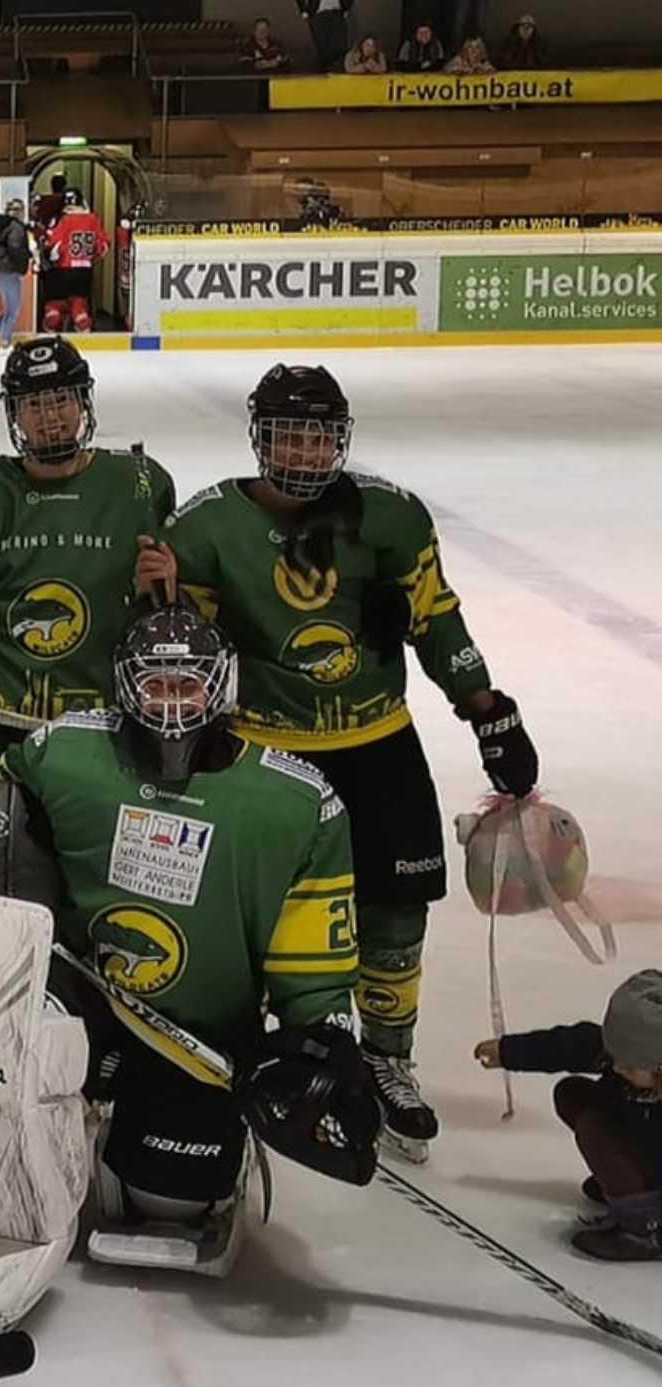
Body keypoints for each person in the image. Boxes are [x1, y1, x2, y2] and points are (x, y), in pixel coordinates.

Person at [140, 364, 540, 1164]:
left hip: (377, 741)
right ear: (259, 436)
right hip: (266, 755)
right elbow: (193, 656)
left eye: (320, 432)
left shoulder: (386, 516)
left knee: (397, 910)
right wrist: (167, 600)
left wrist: (486, 709)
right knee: (261, 913)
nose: (306, 449)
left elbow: (437, 618)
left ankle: (388, 1057)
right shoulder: (207, 528)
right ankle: (277, 1050)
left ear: (342, 438)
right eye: (290, 432)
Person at [0, 607, 378, 1275]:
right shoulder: (61, 752)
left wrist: (320, 1054)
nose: (170, 702)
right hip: (82, 1005)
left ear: (221, 688)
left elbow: (314, 970)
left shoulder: (296, 803)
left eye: (186, 685)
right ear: (125, 686)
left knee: (165, 1198)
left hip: (202, 1039)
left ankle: (156, 1136)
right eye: (156, 684)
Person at [0, 338, 177, 856]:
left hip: (105, 725)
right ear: (14, 414)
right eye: (33, 405)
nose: (49, 418)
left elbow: (164, 614)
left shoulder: (140, 484)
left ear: (83, 403)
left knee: (100, 869)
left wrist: (166, 591)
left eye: (61, 400)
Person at [476, 970, 662, 1262]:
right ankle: (631, 1186)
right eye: (615, 1057)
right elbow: (569, 1045)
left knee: (594, 1129)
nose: (616, 1067)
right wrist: (507, 1051)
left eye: (629, 1065)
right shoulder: (625, 1054)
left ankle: (642, 1230)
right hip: (647, 1143)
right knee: (572, 1093)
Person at [37, 188, 106, 333]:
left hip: (62, 270)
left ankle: (53, 316)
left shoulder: (63, 220)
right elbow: (103, 247)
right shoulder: (93, 219)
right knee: (79, 302)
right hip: (85, 271)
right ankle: (81, 319)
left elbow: (53, 245)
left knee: (55, 302)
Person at [0, 197, 31, 354]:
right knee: (13, 310)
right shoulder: (16, 227)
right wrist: (26, 257)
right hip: (9, 272)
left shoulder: (5, 226)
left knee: (10, 308)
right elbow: (15, 246)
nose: (20, 213)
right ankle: (4, 342)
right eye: (18, 210)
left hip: (2, 272)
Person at [297, 0, 353, 71]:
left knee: (340, 49)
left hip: (337, 13)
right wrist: (303, 10)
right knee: (322, 50)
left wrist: (347, 7)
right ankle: (324, 73)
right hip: (319, 13)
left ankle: (338, 72)